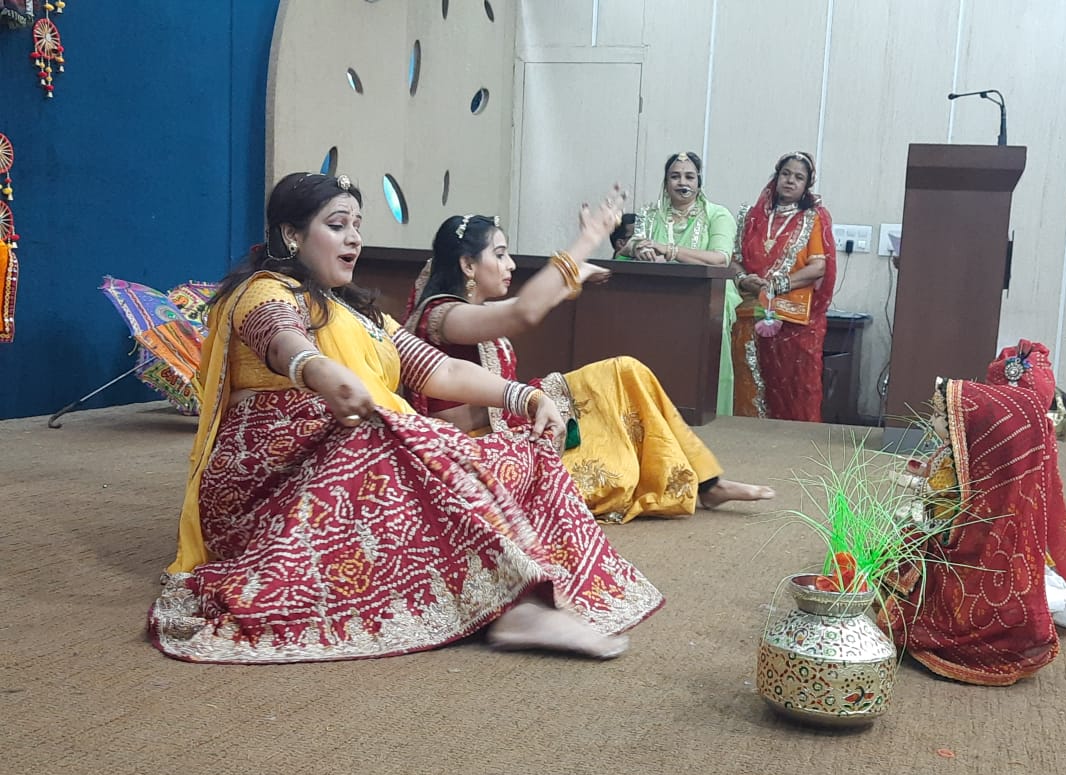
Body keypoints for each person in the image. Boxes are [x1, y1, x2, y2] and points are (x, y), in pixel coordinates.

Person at [147, 172, 663, 664]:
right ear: (290, 233)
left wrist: (522, 399)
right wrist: (321, 373)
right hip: (272, 475)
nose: (354, 238)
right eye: (337, 225)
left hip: (353, 446)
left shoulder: (363, 315)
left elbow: (437, 370)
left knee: (520, 452)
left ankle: (528, 593)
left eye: (357, 225)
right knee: (389, 438)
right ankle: (516, 606)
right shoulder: (265, 292)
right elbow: (281, 340)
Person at [403, 199, 774, 524]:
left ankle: (707, 482)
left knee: (626, 372)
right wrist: (587, 240)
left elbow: (519, 309)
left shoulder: (467, 312)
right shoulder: (442, 317)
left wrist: (571, 279)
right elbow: (523, 312)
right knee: (613, 467)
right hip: (475, 455)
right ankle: (696, 485)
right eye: (499, 254)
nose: (510, 264)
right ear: (468, 265)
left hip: (511, 424)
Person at [881, 377, 1066, 686]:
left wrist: (915, 486)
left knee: (914, 555)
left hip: (958, 547)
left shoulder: (983, 475)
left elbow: (943, 496)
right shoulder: (961, 456)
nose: (934, 422)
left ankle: (943, 629)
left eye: (942, 417)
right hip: (944, 529)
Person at [619, 152, 739, 416]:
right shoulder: (651, 214)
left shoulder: (717, 215)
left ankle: (709, 417)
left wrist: (669, 250)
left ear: (699, 181)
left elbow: (720, 259)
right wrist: (640, 249)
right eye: (675, 176)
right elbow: (629, 244)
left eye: (689, 176)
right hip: (659, 303)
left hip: (706, 303)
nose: (682, 182)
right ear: (666, 181)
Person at [732, 151, 836, 422]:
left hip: (796, 322)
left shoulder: (812, 219)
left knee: (794, 388)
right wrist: (745, 279)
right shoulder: (750, 217)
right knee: (752, 382)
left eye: (799, 177)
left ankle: (794, 446)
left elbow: (818, 268)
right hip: (751, 312)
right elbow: (735, 261)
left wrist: (778, 284)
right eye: (786, 174)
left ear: (806, 185)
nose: (791, 181)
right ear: (776, 176)